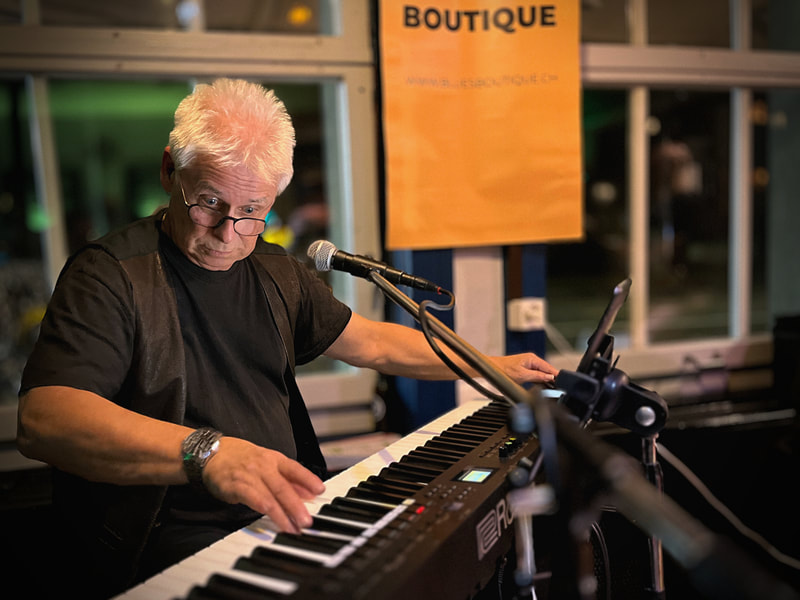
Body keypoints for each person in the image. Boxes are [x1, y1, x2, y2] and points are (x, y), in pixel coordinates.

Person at [16, 78, 559, 599]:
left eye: (251, 212)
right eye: (208, 202)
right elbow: (46, 419)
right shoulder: (109, 275)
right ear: (168, 170)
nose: (228, 234)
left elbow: (372, 343)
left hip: (277, 515)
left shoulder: (276, 271)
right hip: (160, 541)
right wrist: (205, 453)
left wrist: (489, 365)